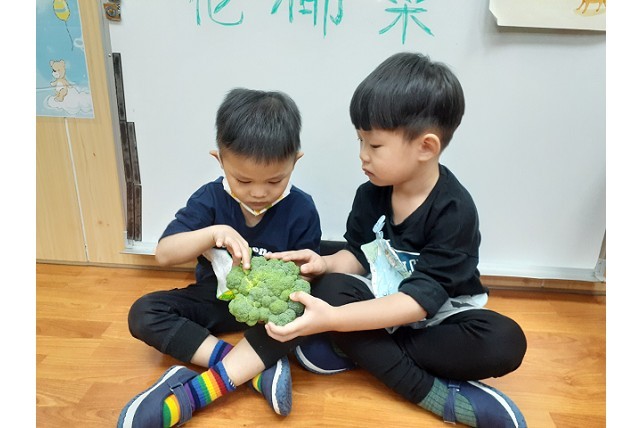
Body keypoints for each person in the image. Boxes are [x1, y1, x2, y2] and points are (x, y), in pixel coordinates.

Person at [265, 52, 529, 428]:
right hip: (380, 300)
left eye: (374, 146)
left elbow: (419, 304)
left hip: (438, 314)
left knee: (504, 341)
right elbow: (358, 254)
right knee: (329, 284)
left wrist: (337, 321)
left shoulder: (454, 211)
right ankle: (374, 352)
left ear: (425, 147)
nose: (362, 156)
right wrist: (323, 264)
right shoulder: (370, 193)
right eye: (360, 141)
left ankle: (370, 358)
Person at [117, 88, 322, 427]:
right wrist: (212, 233)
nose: (259, 192)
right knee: (144, 313)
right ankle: (249, 369)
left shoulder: (301, 208)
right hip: (215, 300)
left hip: (269, 315)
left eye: (275, 180)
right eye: (243, 179)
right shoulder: (210, 199)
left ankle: (220, 377)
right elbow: (164, 254)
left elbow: (307, 278)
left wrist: (304, 274)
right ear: (220, 160)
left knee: (308, 317)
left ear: (294, 162)